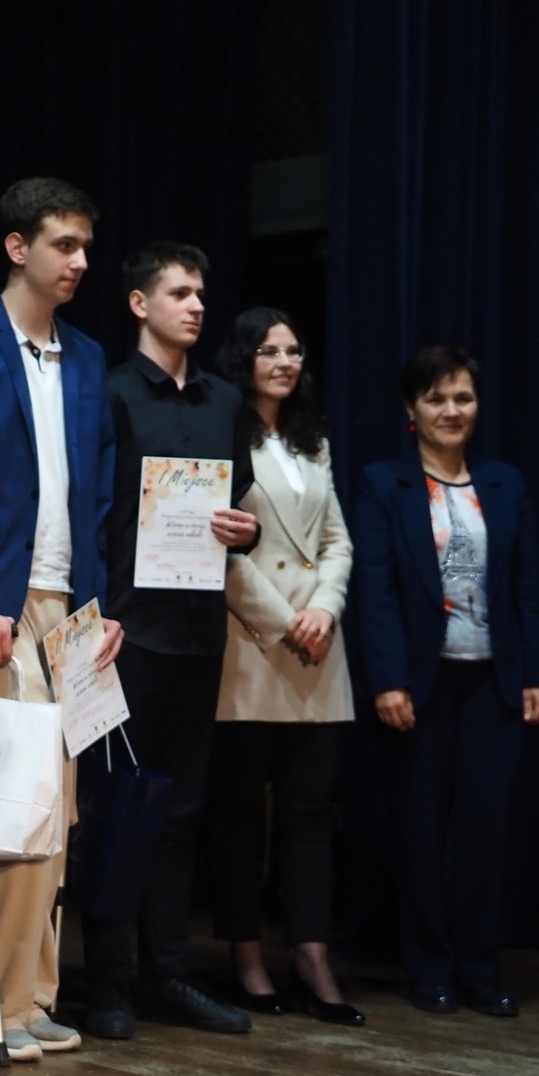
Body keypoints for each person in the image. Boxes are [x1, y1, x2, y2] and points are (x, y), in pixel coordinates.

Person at [0, 177, 120, 1062]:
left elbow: (98, 494)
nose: (78, 262)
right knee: (10, 806)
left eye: (85, 248)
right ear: (18, 248)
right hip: (1, 600)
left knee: (58, 810)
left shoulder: (86, 356)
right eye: (63, 245)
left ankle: (32, 996)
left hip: (68, 607)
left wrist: (98, 608)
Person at [83, 242, 260, 1039]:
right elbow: (93, 513)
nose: (196, 306)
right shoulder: (112, 393)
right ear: (139, 304)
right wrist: (97, 608)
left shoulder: (224, 400)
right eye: (180, 293)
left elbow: (238, 511)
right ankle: (107, 983)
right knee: (119, 805)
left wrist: (247, 532)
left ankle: (170, 974)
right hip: (128, 631)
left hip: (198, 631)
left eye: (200, 294)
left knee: (181, 812)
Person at [350, 345, 539, 1015]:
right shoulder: (384, 483)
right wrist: (387, 680)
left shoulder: (505, 483)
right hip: (420, 683)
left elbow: (528, 588)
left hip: (494, 681)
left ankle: (480, 967)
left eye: (462, 397)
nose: (451, 410)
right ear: (412, 408)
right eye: (436, 398)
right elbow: (375, 590)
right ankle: (429, 966)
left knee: (485, 830)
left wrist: (537, 673)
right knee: (420, 831)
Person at [205, 308, 361, 1026]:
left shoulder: (313, 440)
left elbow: (336, 540)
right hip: (252, 643)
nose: (284, 361)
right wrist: (281, 619)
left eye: (294, 350)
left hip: (317, 649)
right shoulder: (222, 430)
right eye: (269, 350)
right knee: (238, 815)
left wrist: (323, 609)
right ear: (244, 358)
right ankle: (246, 955)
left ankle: (312, 955)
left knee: (309, 814)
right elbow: (214, 544)